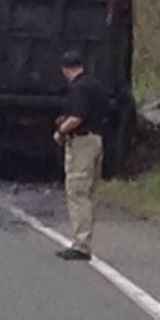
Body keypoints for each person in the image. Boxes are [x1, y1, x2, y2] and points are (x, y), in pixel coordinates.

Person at [52, 50, 109, 261]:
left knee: (77, 192)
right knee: (88, 191)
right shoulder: (95, 86)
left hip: (82, 143)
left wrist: (61, 131)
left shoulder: (78, 89)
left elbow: (76, 117)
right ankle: (83, 240)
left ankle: (81, 245)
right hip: (97, 139)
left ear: (66, 69)